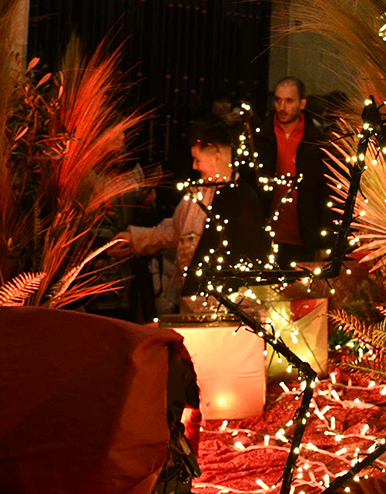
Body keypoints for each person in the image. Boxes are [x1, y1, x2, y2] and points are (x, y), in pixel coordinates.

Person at [112, 118, 268, 316]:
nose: (194, 166)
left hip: (224, 300)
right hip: (191, 293)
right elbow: (176, 231)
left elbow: (251, 253)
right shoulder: (196, 193)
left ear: (217, 156)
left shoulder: (243, 198)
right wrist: (134, 238)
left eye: (198, 159)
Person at [255, 77, 333, 265]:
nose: (282, 106)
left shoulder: (316, 140)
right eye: (278, 100)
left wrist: (325, 240)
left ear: (302, 103)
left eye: (289, 101)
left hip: (305, 236)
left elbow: (326, 191)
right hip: (268, 234)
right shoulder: (261, 137)